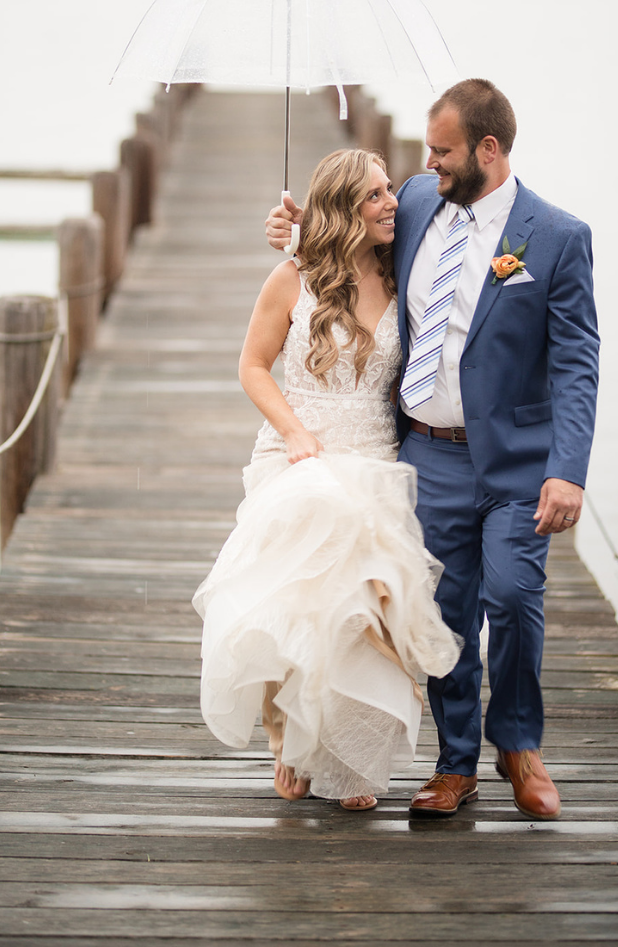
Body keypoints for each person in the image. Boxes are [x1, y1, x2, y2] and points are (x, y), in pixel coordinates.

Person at [267, 79, 599, 820]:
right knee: (442, 615)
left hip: (516, 462)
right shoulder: (414, 202)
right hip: (426, 454)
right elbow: (339, 236)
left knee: (513, 597)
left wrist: (567, 472)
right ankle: (456, 765)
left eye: (442, 151)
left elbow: (578, 364)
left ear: (488, 149)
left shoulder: (557, 237)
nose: (427, 165)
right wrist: (291, 227)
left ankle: (517, 743)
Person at [195, 148, 461, 811]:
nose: (391, 202)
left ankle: (350, 756)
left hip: (374, 457)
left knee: (370, 609)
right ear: (346, 208)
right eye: (374, 195)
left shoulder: (402, 274)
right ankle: (285, 732)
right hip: (300, 454)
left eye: (389, 190)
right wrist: (294, 432)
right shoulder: (293, 279)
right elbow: (254, 367)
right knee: (302, 599)